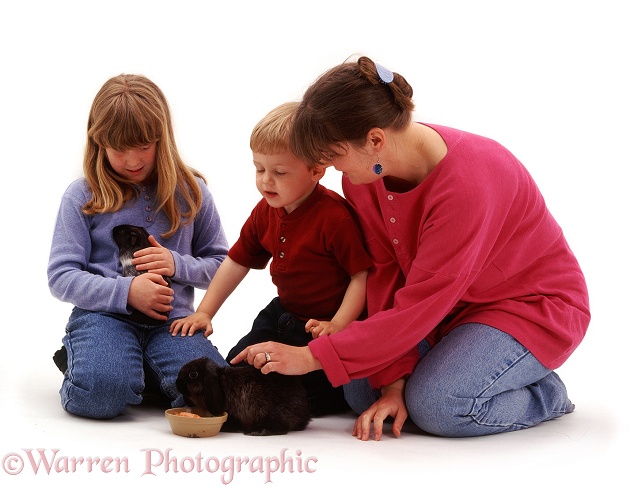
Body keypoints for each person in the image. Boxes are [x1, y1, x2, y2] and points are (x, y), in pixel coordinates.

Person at [231, 56, 590, 440]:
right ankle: (454, 369)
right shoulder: (365, 177)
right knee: (358, 390)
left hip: (527, 309)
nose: (330, 167)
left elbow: (421, 303)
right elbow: (386, 276)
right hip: (443, 310)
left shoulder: (471, 185)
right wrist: (393, 385)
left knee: (439, 407)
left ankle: (546, 393)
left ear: (374, 140)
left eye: (333, 154)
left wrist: (309, 357)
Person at [170, 102, 372, 416]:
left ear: (316, 170)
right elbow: (236, 262)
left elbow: (362, 276)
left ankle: (328, 395)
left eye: (279, 172)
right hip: (283, 315)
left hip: (324, 323)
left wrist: (338, 324)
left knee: (303, 396)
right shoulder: (266, 211)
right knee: (233, 368)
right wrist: (205, 312)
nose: (266, 181)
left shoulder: (334, 218)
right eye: (259, 168)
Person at [47, 74, 229, 420]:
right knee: (100, 396)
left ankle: (134, 368)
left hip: (173, 324)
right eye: (119, 149)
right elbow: (60, 276)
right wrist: (126, 291)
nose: (132, 161)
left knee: (218, 397)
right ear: (98, 142)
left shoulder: (192, 193)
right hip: (103, 317)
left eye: (143, 146)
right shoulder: (82, 195)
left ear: (163, 138)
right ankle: (95, 365)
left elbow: (223, 264)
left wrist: (177, 264)